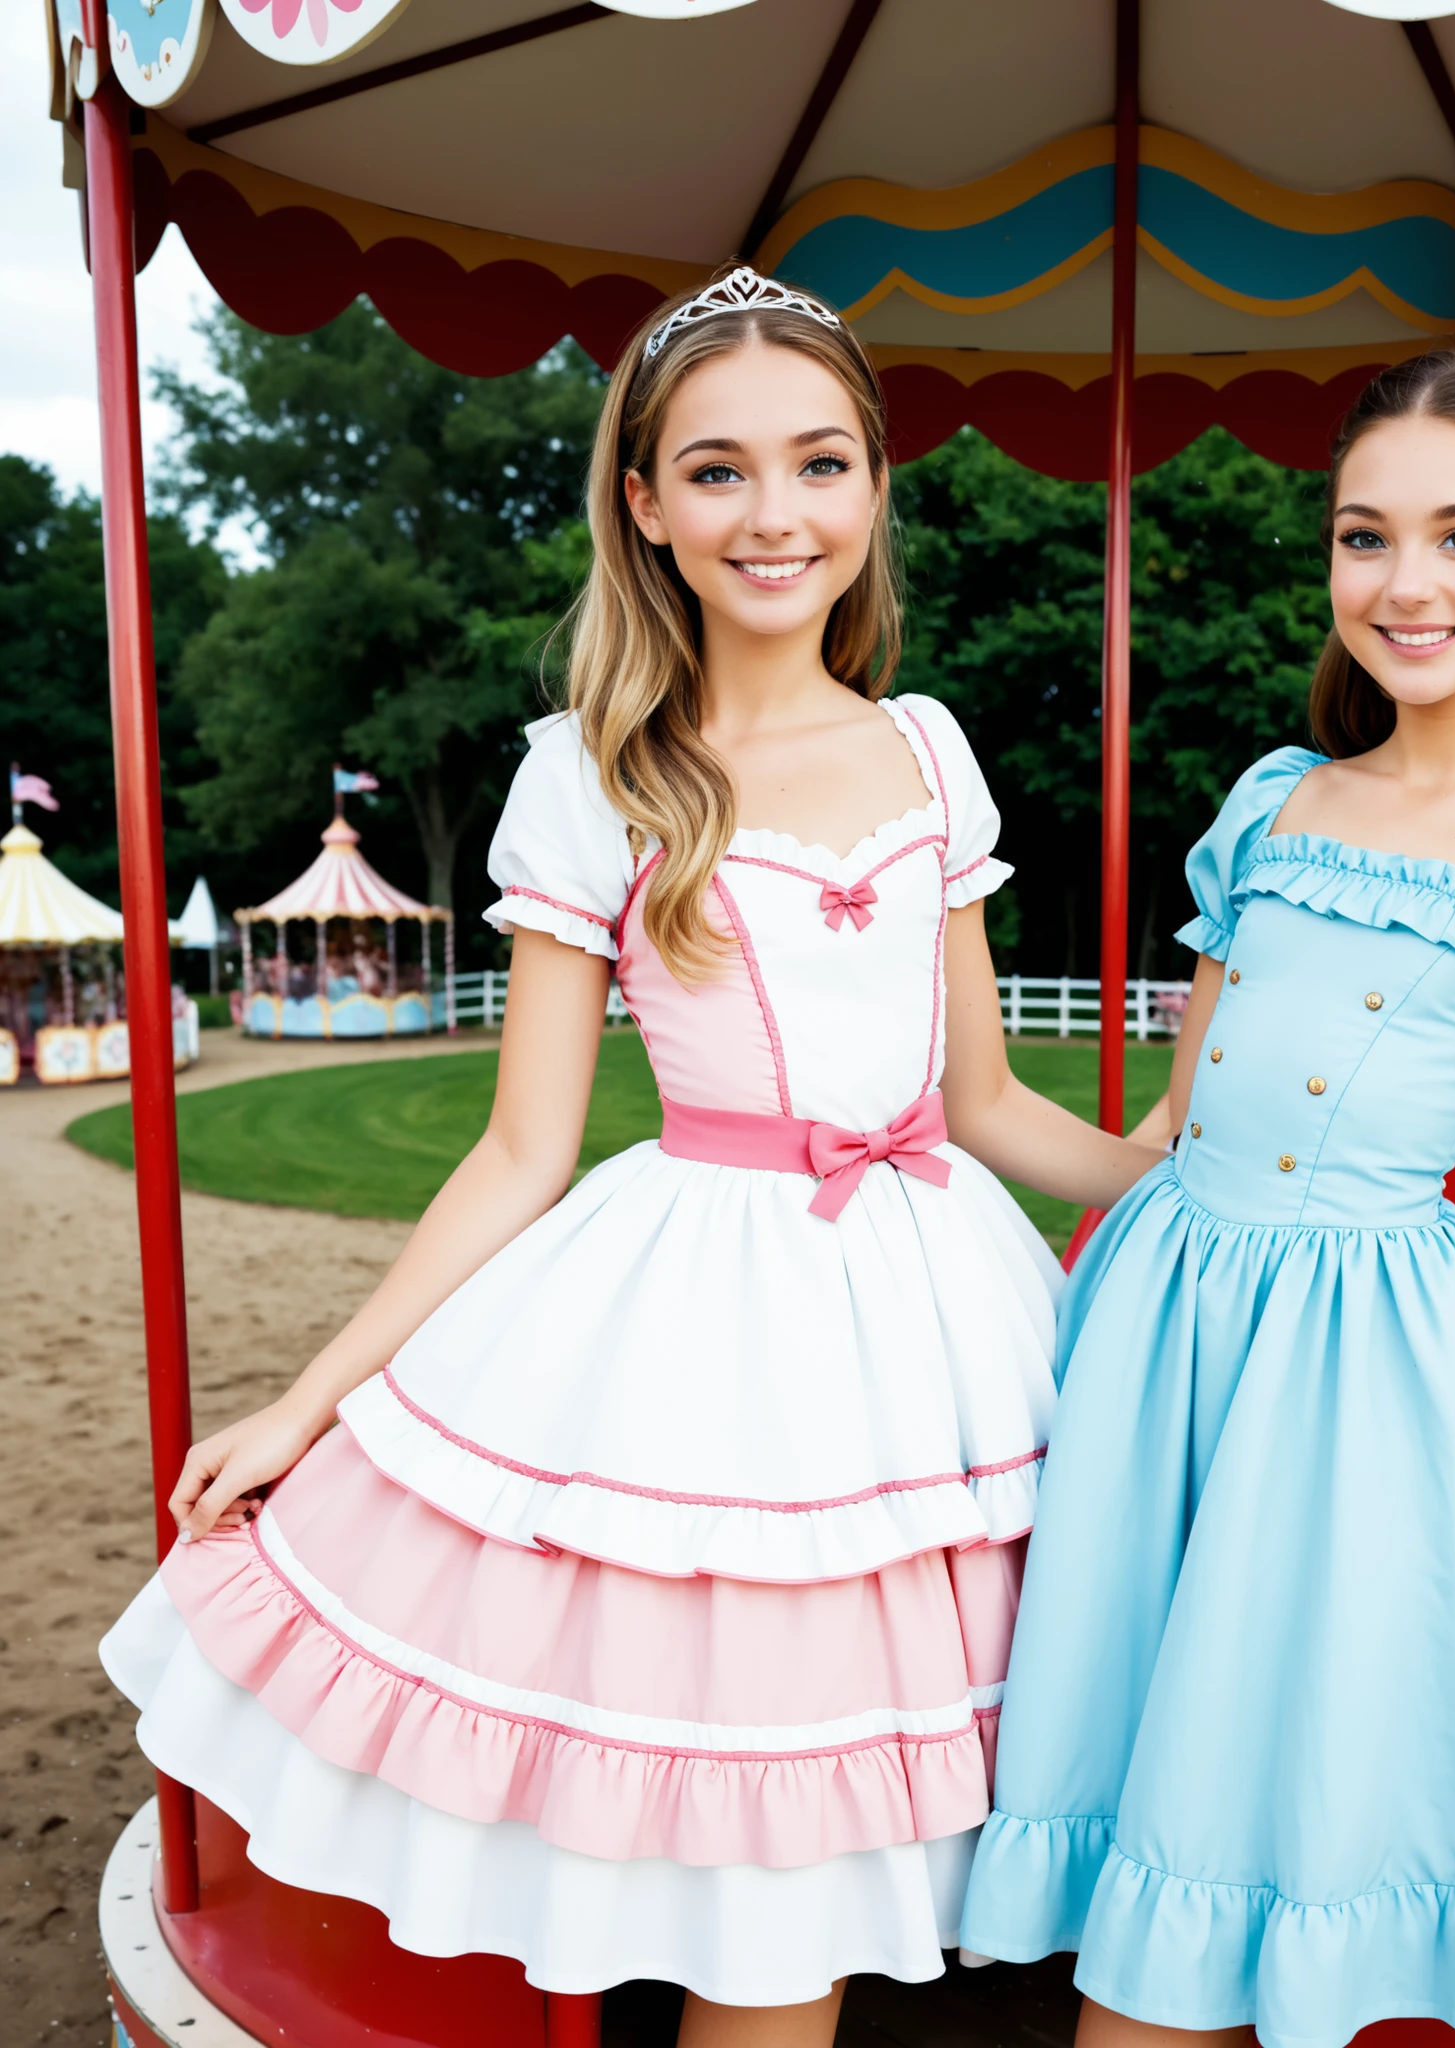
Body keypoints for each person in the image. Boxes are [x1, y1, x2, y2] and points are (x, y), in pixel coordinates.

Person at [99, 265, 1161, 2039]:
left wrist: (1188, 1184)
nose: (776, 512)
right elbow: (520, 1150)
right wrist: (310, 1401)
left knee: (928, 1830)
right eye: (721, 469)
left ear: (873, 489)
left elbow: (982, 1100)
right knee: (754, 1877)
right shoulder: (591, 777)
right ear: (648, 505)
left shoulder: (928, 749)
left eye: (820, 463)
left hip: (941, 1329)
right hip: (712, 1334)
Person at [960, 343, 1455, 2046]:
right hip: (1160, 1339)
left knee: (1238, 1843)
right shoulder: (1273, 802)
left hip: (1359, 1383)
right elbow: (1164, 1143)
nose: (1404, 584)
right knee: (1126, 1778)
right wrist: (945, 1087)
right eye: (1363, 535)